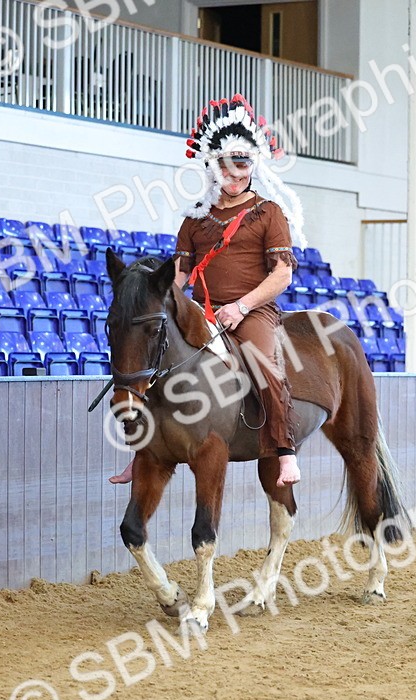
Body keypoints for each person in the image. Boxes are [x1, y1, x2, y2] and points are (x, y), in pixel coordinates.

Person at [110, 94, 306, 487]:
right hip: (203, 309)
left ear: (253, 167)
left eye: (242, 169)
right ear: (213, 167)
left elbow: (282, 275)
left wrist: (243, 306)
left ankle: (284, 451)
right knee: (155, 359)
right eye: (227, 170)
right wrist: (160, 302)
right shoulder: (196, 218)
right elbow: (179, 275)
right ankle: (141, 450)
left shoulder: (270, 213)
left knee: (265, 363)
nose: (234, 178)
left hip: (254, 310)